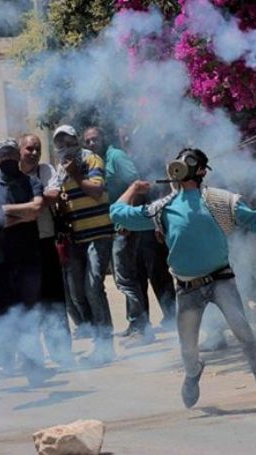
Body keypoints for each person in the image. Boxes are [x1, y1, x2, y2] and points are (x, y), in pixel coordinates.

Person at [110, 148, 256, 412]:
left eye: (189, 160)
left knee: (244, 333)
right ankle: (193, 372)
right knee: (188, 349)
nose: (181, 164)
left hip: (221, 281)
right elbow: (117, 213)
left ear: (201, 170)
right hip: (187, 288)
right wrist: (133, 189)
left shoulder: (220, 201)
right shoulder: (162, 208)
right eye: (180, 159)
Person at [45, 125, 115, 366]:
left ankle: (105, 346)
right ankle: (96, 337)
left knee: (93, 286)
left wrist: (76, 174)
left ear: (76, 140)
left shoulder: (90, 159)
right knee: (77, 292)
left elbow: (96, 190)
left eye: (68, 141)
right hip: (76, 237)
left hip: (98, 233)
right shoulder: (60, 168)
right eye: (60, 143)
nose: (65, 147)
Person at [0, 138, 54, 386]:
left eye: (11, 155)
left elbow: (37, 209)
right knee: (8, 314)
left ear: (17, 156)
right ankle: (6, 362)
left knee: (29, 312)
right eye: (3, 155)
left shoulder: (31, 181)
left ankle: (34, 368)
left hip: (30, 257)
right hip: (4, 261)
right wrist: (23, 214)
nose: (8, 159)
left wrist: (9, 211)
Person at [83, 126, 157, 348]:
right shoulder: (95, 162)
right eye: (88, 141)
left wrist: (128, 218)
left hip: (122, 225)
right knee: (123, 275)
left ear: (104, 138)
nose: (91, 144)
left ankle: (141, 328)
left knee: (125, 277)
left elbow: (137, 186)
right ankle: (135, 323)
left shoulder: (116, 156)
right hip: (109, 226)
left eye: (95, 139)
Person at [19, 133, 74, 367]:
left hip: (45, 241)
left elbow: (53, 194)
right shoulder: (9, 175)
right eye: (29, 148)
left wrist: (30, 205)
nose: (34, 153)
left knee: (54, 301)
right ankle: (33, 360)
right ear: (20, 150)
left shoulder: (45, 170)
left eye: (37, 149)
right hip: (22, 247)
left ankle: (62, 353)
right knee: (28, 305)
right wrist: (33, 204)